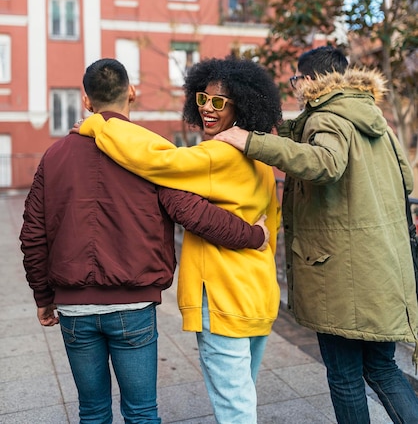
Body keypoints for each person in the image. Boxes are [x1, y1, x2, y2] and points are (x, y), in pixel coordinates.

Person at [20, 58, 272, 424]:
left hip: (74, 307)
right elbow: (193, 211)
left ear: (86, 101)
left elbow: (32, 234)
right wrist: (254, 234)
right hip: (133, 305)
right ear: (132, 93)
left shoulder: (54, 156)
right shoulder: (151, 154)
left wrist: (44, 297)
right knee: (141, 411)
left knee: (91, 411)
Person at [214, 45, 418, 424]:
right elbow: (406, 179)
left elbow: (326, 163)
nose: (294, 86)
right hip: (384, 268)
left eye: (295, 79)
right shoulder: (375, 120)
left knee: (344, 376)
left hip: (340, 275)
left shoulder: (327, 117)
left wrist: (251, 142)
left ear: (309, 81)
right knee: (382, 369)